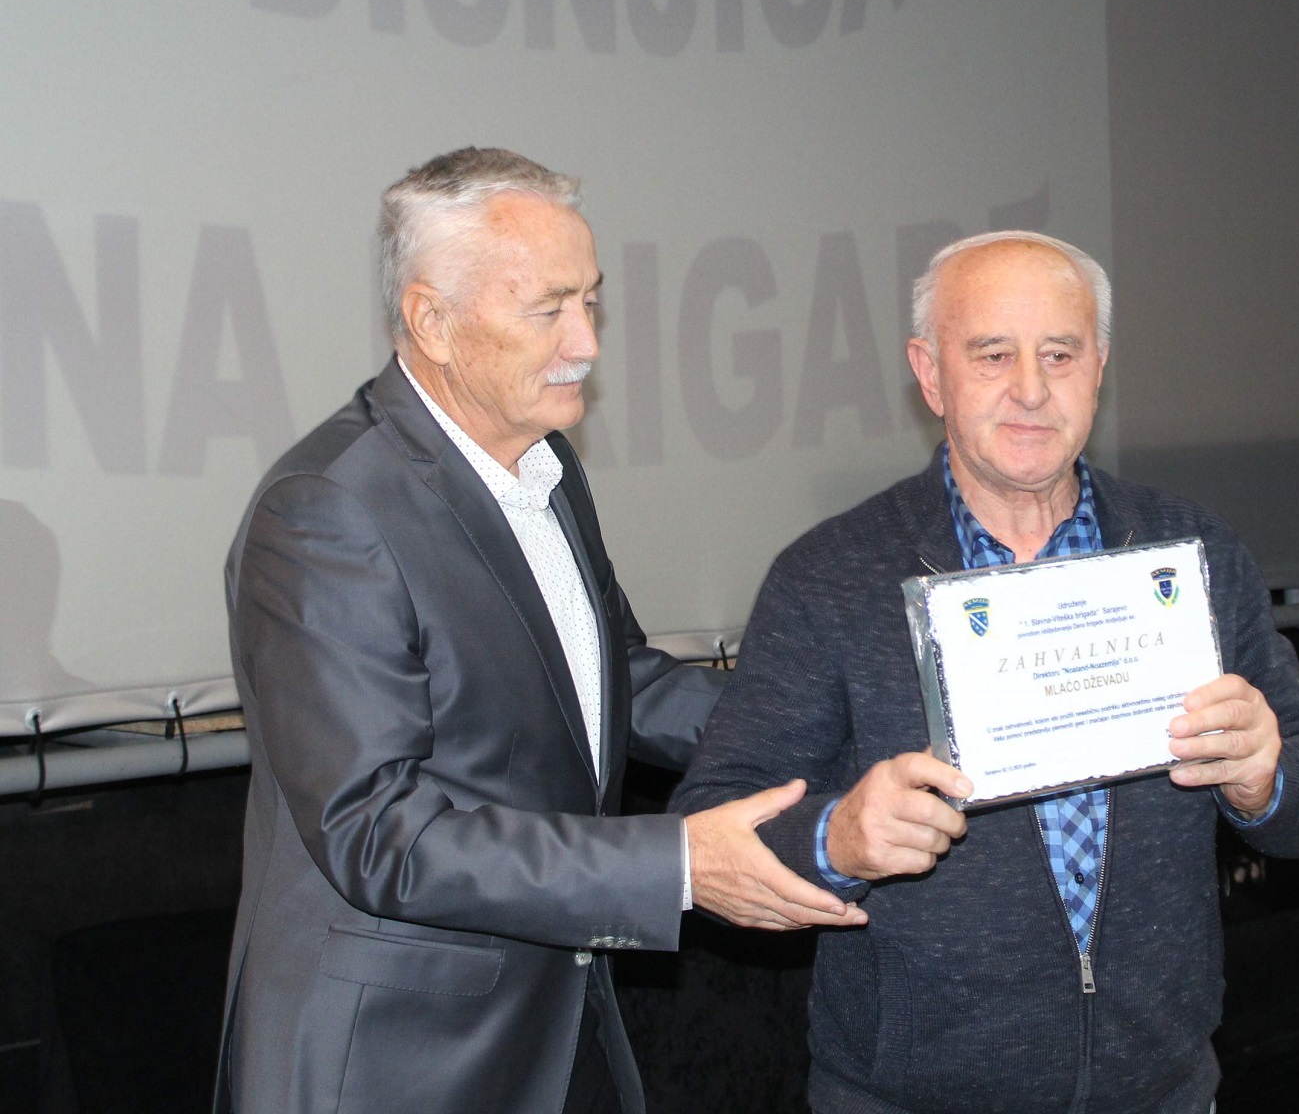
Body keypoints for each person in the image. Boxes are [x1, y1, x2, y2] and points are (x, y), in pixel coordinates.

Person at [213, 147, 866, 1114]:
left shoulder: (542, 467)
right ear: (432, 322)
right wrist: (680, 867)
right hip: (397, 1062)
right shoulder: (328, 511)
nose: (587, 341)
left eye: (591, 302)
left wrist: (838, 723)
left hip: (556, 1022)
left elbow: (617, 681)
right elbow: (379, 832)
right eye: (548, 308)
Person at [671, 230, 1299, 1114]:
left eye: (1060, 354)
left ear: (1099, 368)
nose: (1032, 389)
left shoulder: (1189, 551)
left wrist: (1266, 778)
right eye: (993, 354)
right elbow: (709, 827)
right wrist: (836, 839)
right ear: (930, 375)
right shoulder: (830, 577)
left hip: (1160, 1090)